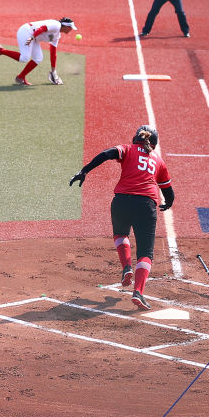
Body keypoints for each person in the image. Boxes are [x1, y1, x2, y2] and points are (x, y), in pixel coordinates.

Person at [69, 125, 174, 310]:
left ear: (136, 138)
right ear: (154, 143)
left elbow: (105, 154)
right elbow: (169, 192)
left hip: (121, 202)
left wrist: (84, 171)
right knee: (145, 253)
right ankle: (138, 293)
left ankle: (126, 267)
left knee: (120, 234)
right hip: (146, 206)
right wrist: (168, 203)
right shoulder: (159, 161)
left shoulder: (127, 149)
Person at [0, 17, 77, 86]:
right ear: (65, 26)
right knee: (24, 58)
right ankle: (1, 50)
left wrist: (53, 70)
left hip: (33, 37)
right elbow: (42, 28)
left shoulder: (57, 36)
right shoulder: (56, 24)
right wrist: (32, 37)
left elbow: (53, 53)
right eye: (70, 27)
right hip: (26, 32)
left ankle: (20, 77)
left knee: (38, 58)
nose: (71, 29)